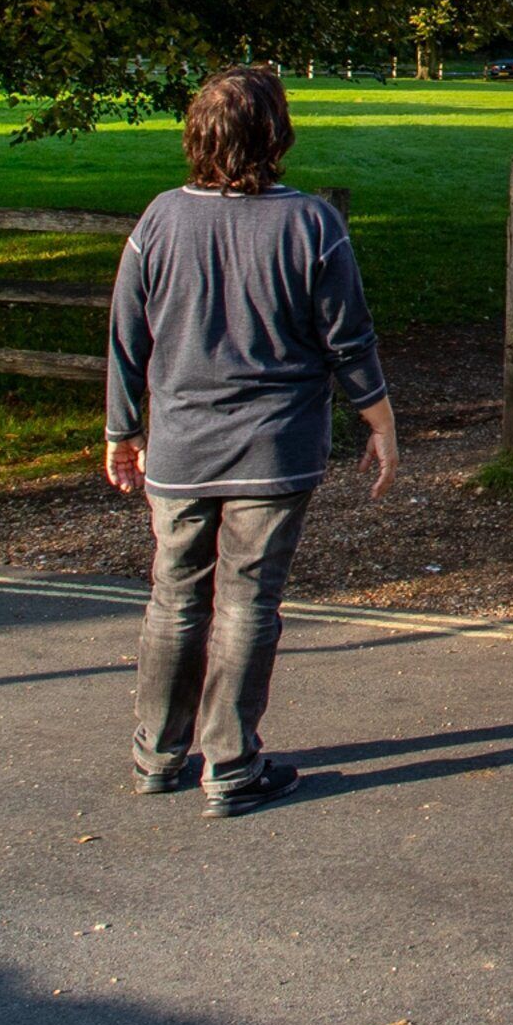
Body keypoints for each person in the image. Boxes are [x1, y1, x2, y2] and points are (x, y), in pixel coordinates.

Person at [104, 67, 398, 817]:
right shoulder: (310, 225)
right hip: (275, 446)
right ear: (276, 135)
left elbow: (125, 337)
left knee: (173, 597)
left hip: (180, 445)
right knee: (247, 603)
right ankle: (231, 764)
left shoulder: (160, 220)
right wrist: (378, 418)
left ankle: (157, 754)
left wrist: (121, 428)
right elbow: (349, 337)